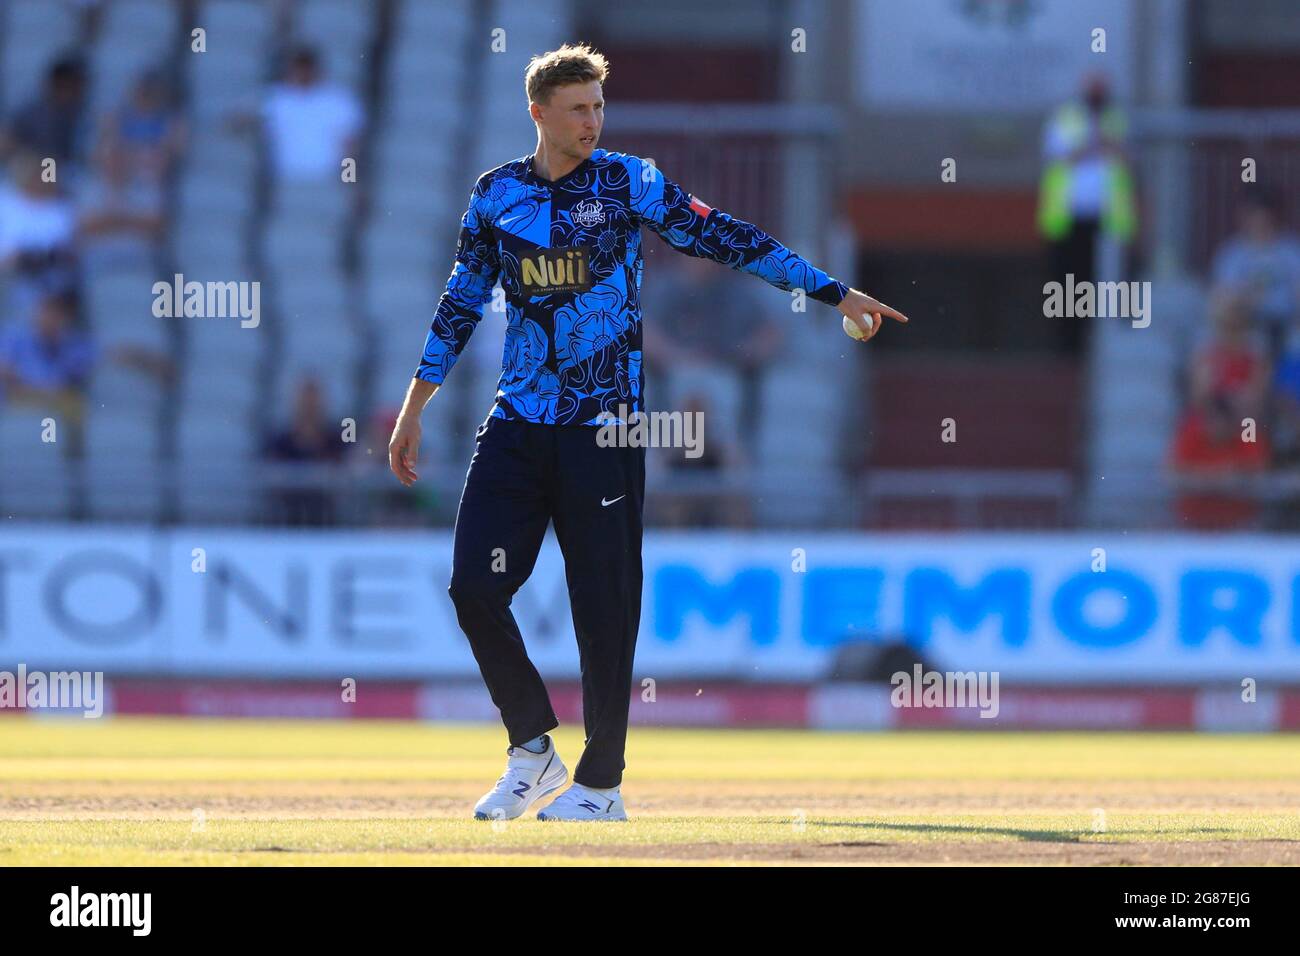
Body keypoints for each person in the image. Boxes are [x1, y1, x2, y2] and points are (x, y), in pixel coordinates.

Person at [385, 44, 908, 822]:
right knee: (473, 586)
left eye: (599, 107)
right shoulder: (496, 196)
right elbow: (460, 305)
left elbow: (726, 236)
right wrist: (414, 406)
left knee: (606, 604)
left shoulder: (628, 183)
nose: (593, 121)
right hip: (518, 424)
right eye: (577, 109)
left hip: (605, 430)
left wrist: (830, 291)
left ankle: (601, 786)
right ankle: (532, 748)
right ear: (539, 113)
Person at [1037, 72, 1137, 355]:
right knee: (1067, 284)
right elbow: (1056, 157)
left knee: (1108, 285)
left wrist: (1102, 146)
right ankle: (1067, 347)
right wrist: (1094, 146)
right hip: (1067, 219)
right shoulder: (1065, 118)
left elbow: (1129, 157)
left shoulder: (1118, 119)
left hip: (1109, 219)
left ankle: (1106, 344)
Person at [1210, 186, 1300, 366]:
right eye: (1254, 217)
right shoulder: (1232, 255)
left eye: (1264, 218)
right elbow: (1223, 302)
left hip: (1285, 323)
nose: (1259, 224)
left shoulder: (1291, 251)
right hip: (1246, 326)